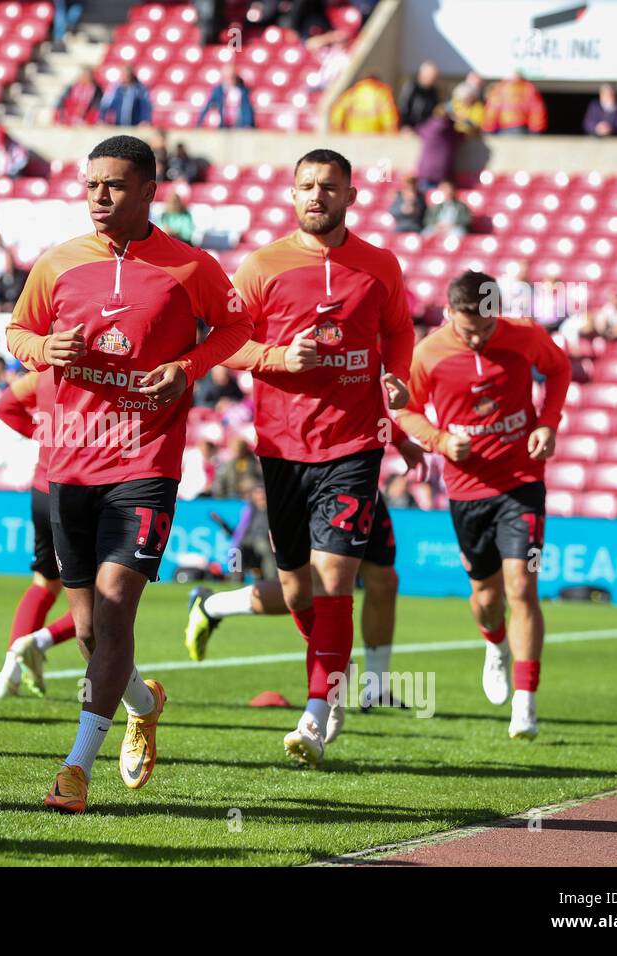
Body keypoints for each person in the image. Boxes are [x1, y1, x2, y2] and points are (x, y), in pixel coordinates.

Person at [5, 134, 252, 812]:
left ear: (150, 191)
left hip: (145, 463)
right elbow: (17, 334)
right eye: (91, 185)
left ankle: (75, 768)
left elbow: (236, 328)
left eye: (114, 185)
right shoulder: (57, 264)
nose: (100, 197)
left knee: (116, 606)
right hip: (69, 462)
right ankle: (144, 703)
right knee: (88, 631)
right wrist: (41, 348)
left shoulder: (190, 267)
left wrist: (191, 367)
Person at [220, 148, 415, 768]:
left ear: (350, 196)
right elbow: (224, 343)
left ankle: (315, 708)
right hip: (281, 449)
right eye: (305, 186)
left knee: (337, 579)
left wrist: (398, 378)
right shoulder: (262, 266)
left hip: (354, 444)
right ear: (292, 193)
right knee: (300, 593)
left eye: (328, 187)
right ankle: (331, 670)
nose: (316, 196)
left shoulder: (380, 266)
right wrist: (279, 359)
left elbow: (401, 332)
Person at [397, 270, 572, 741]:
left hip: (522, 482)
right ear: (451, 313)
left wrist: (548, 423)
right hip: (467, 490)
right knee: (488, 599)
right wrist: (438, 440)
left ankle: (526, 703)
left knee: (522, 587)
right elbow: (405, 409)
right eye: (470, 329)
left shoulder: (524, 335)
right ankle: (494, 646)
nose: (479, 337)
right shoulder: (429, 353)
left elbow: (559, 369)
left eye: (487, 327)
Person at [186, 433, 426, 716]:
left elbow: (377, 394)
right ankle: (213, 605)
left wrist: (398, 438)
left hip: (359, 467)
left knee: (384, 581)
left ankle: (376, 687)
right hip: (313, 465)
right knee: (312, 587)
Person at [0, 370, 79, 696]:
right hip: (79, 491)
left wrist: (40, 433)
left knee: (45, 582)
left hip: (42, 489)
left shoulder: (41, 375)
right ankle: (37, 642)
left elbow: (4, 406)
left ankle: (9, 671)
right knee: (107, 600)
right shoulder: (100, 374)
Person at [328, 74, 399, 133]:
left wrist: (337, 130)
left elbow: (337, 112)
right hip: (374, 135)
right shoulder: (381, 94)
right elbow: (389, 118)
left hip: (352, 134)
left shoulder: (352, 92)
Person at [483, 70, 547, 135]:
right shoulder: (529, 88)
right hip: (522, 129)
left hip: (505, 129)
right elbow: (537, 111)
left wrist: (488, 129)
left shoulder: (500, 89)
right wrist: (536, 130)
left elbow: (492, 110)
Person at [415, 105, 460, 193]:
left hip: (425, 172)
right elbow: (461, 137)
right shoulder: (449, 131)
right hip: (441, 173)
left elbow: (418, 130)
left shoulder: (428, 127)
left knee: (425, 202)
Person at [197, 63, 255, 129]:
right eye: (227, 77)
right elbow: (207, 106)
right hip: (224, 126)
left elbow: (247, 109)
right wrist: (199, 124)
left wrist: (248, 124)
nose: (229, 80)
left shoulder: (242, 91)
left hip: (240, 126)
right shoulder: (218, 91)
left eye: (231, 77)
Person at [398, 60, 439, 130]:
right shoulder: (411, 88)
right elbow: (404, 108)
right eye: (429, 76)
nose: (431, 79)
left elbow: (434, 111)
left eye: (433, 77)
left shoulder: (433, 92)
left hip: (425, 129)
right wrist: (405, 125)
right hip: (410, 127)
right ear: (421, 75)